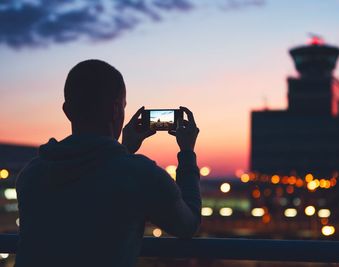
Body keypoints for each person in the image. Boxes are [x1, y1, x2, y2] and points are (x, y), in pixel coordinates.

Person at [15, 59, 201, 267]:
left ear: (67, 110)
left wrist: (124, 148)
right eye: (122, 107)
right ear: (115, 111)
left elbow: (93, 180)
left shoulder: (32, 173)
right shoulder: (140, 175)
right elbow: (188, 224)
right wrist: (186, 152)